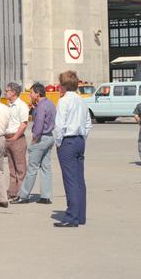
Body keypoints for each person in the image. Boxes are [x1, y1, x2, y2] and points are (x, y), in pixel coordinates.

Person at [53, 70, 90, 228]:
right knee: (79, 179)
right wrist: (82, 136)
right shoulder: (81, 100)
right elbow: (88, 123)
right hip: (80, 140)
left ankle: (71, 216)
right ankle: (80, 215)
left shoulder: (64, 101)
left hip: (68, 141)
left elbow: (59, 125)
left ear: (63, 85)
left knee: (70, 179)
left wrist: (58, 142)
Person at [11, 82, 55, 204]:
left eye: (31, 93)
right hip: (49, 137)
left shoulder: (41, 106)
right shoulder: (50, 104)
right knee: (46, 167)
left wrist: (35, 139)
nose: (30, 95)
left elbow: (39, 123)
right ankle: (45, 196)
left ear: (38, 93)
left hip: (40, 138)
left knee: (32, 168)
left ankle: (23, 195)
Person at [3, 82, 29, 200]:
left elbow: (24, 124)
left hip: (17, 139)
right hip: (8, 138)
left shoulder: (22, 106)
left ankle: (21, 193)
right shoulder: (8, 106)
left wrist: (15, 137)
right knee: (12, 167)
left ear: (13, 92)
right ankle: (12, 191)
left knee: (20, 167)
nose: (5, 92)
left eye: (7, 90)